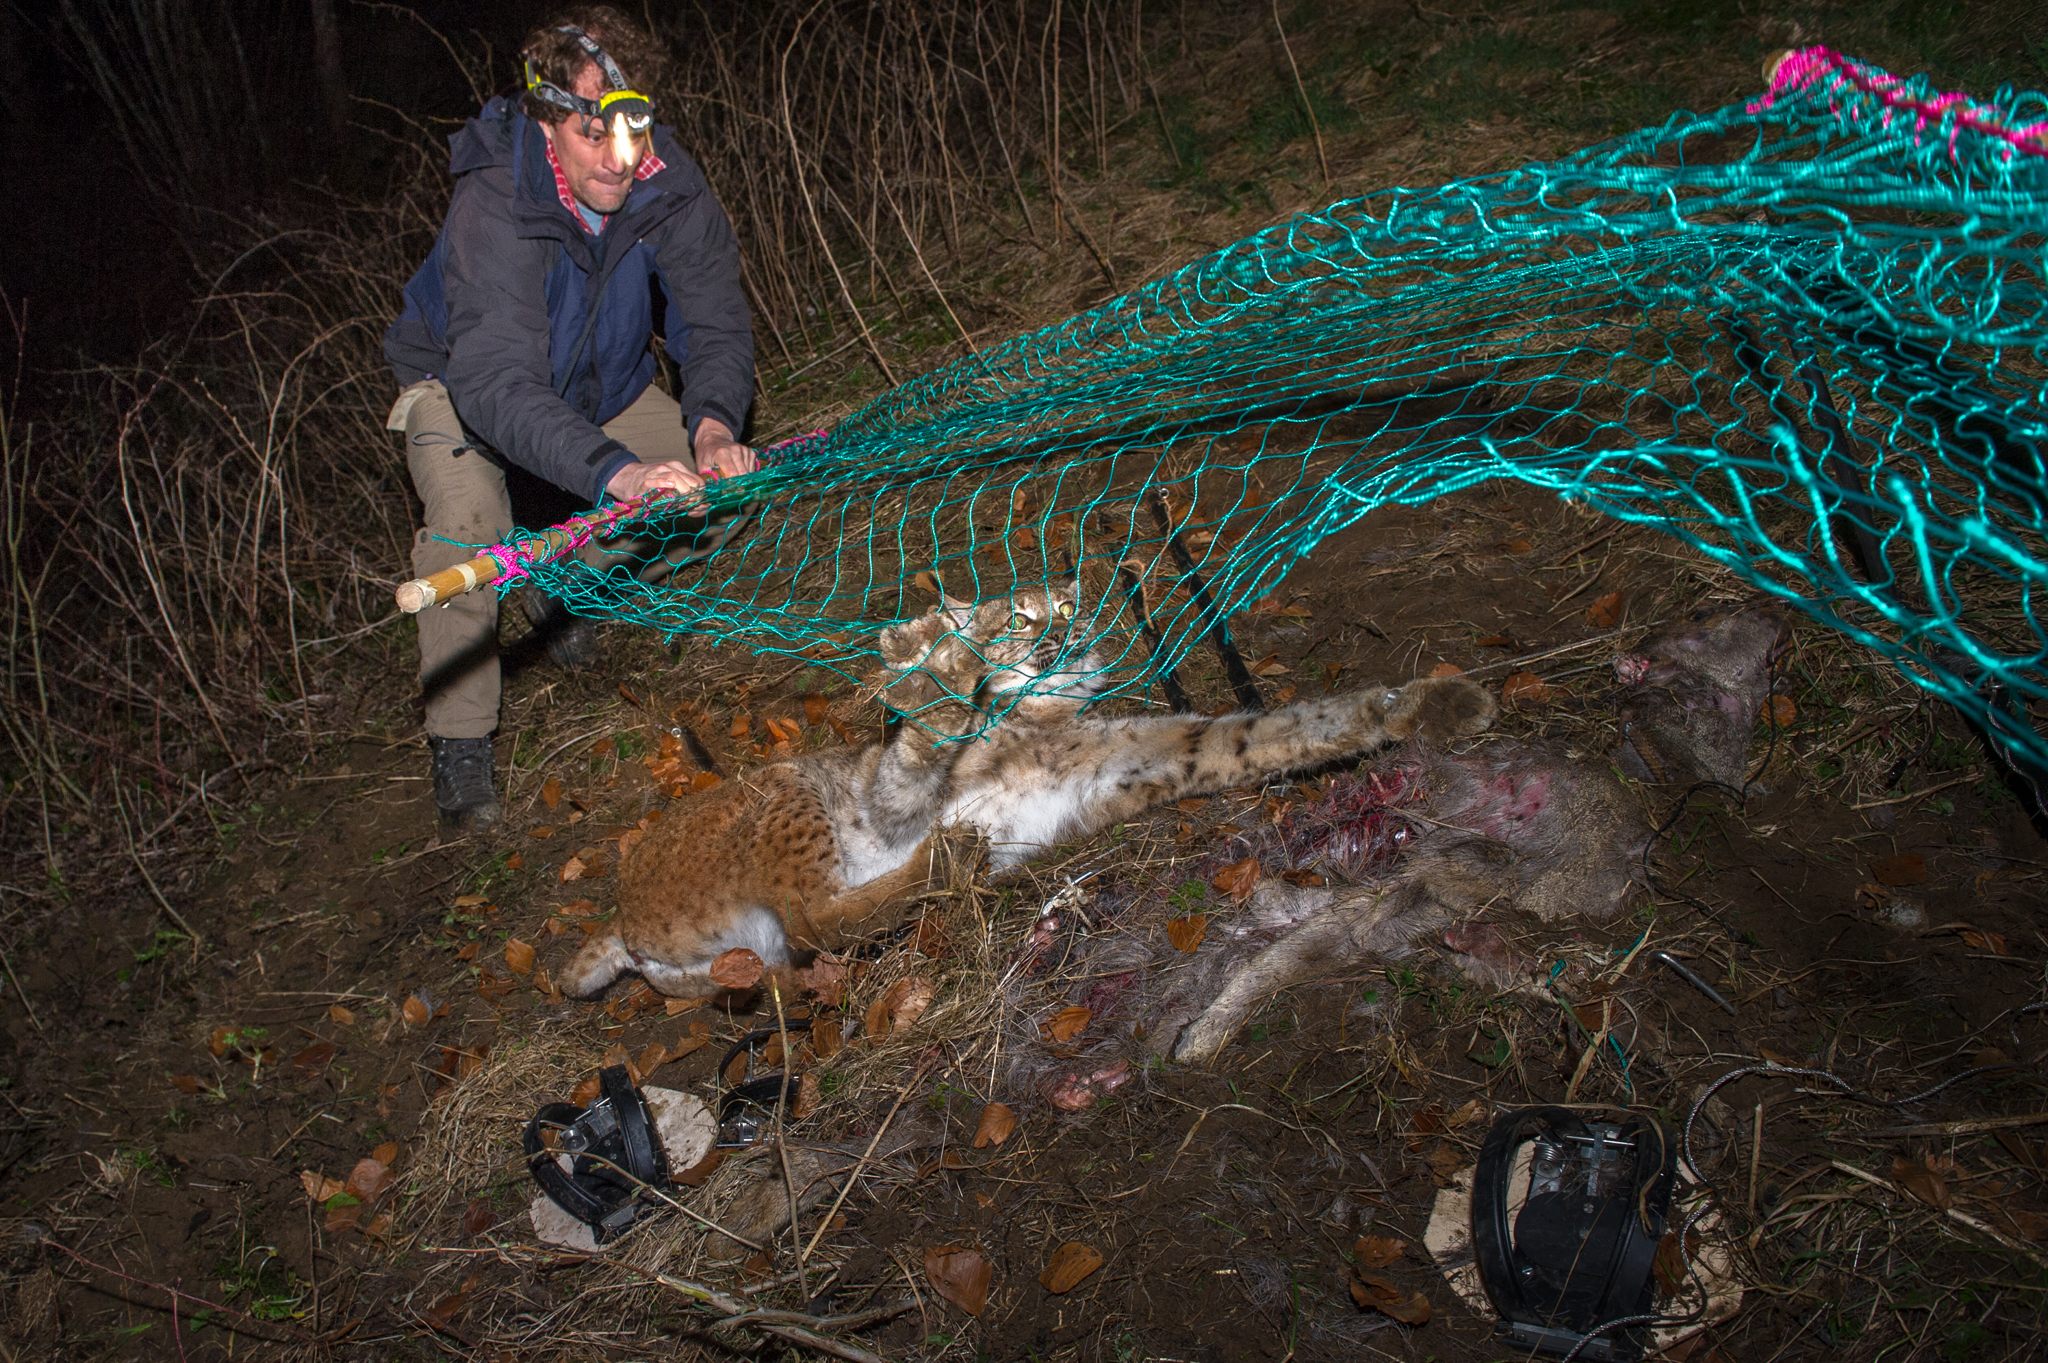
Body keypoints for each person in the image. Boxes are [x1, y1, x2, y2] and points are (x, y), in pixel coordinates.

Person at [384, 5, 756, 831]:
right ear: (546, 116)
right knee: (469, 525)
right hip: (467, 388)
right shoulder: (493, 201)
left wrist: (714, 425)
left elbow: (716, 316)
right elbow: (498, 383)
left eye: (633, 129)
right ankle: (461, 744)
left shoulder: (661, 175)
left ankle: (568, 588)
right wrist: (617, 472)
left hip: (605, 382)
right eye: (594, 133)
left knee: (710, 497)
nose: (621, 159)